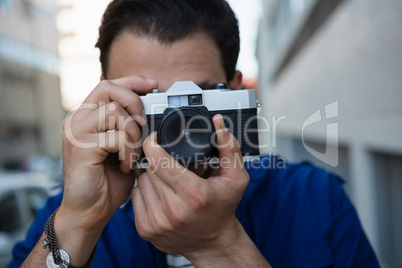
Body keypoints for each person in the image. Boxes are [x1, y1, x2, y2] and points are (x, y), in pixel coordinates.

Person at [8, 0, 380, 267]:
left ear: (237, 94)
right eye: (148, 101)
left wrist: (219, 247)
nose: (178, 127)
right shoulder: (72, 214)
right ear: (108, 97)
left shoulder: (313, 199)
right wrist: (79, 224)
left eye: (197, 100)